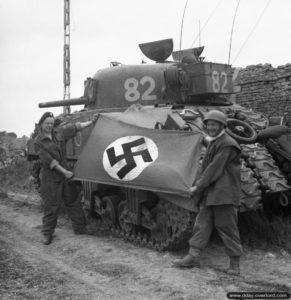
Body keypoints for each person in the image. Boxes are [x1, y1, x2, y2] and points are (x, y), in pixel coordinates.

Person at [172, 110, 243, 276]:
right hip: (212, 192)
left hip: (224, 193)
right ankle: (192, 257)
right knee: (201, 224)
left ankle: (234, 264)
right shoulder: (215, 141)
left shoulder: (227, 144)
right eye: (208, 124)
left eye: (214, 124)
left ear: (222, 126)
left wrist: (197, 186)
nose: (210, 127)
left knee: (227, 227)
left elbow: (213, 170)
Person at [34, 112, 98, 245]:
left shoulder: (59, 133)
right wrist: (65, 172)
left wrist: (91, 122)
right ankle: (47, 233)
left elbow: (76, 127)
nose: (49, 126)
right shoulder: (38, 141)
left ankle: (80, 228)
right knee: (51, 206)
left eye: (51, 123)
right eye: (47, 123)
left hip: (64, 174)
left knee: (73, 201)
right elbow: (49, 161)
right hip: (51, 177)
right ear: (41, 124)